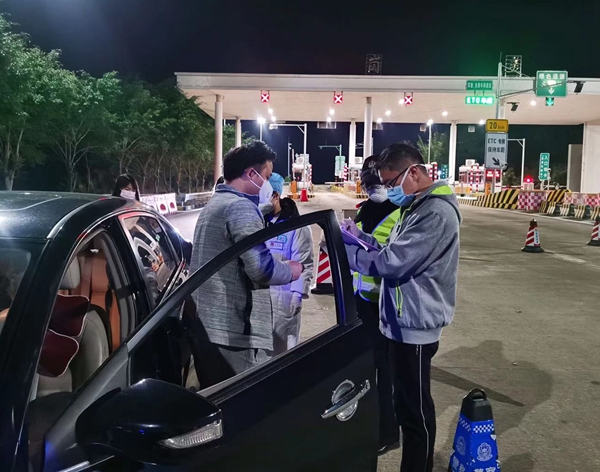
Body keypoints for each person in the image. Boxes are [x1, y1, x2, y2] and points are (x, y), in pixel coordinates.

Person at [341, 143, 461, 472]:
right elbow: (388, 249)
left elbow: (393, 263)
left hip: (416, 326)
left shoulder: (435, 213)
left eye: (392, 182)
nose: (389, 190)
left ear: (415, 172)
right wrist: (357, 238)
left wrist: (346, 254)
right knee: (404, 404)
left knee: (415, 412)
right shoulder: (416, 208)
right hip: (400, 322)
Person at [188, 141, 303, 388]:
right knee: (240, 401)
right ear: (251, 174)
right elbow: (261, 269)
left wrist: (263, 210)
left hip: (208, 326)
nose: (269, 184)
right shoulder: (240, 208)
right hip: (232, 332)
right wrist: (292, 271)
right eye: (267, 177)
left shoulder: (217, 202)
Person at [352, 155, 402, 455]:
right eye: (369, 186)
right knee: (366, 368)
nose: (374, 190)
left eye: (378, 184)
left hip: (385, 305)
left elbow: (393, 260)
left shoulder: (401, 214)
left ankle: (388, 431)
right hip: (362, 301)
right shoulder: (364, 210)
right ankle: (369, 423)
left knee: (384, 372)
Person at [264, 173, 314, 355]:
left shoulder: (296, 226)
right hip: (261, 299)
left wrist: (298, 294)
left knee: (283, 350)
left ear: (275, 196)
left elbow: (303, 262)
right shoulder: (260, 223)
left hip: (283, 299)